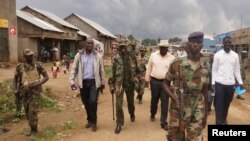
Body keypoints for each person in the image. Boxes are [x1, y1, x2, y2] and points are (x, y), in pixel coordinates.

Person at [162, 31, 209, 140]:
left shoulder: (206, 65)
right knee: (175, 138)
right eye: (193, 42)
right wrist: (174, 98)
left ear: (202, 45)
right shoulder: (176, 63)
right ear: (188, 45)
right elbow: (165, 84)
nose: (196, 45)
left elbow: (205, 91)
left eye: (199, 42)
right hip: (178, 109)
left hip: (197, 110)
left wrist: (205, 115)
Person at [69, 38, 105, 132]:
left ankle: (94, 122)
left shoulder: (98, 56)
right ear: (85, 44)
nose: (90, 45)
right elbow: (74, 69)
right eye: (88, 43)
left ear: (93, 45)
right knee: (86, 102)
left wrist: (103, 83)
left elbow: (101, 70)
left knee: (93, 101)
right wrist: (71, 81)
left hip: (94, 82)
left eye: (91, 44)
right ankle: (89, 120)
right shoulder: (79, 55)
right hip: (83, 82)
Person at [13, 48, 49, 138]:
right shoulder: (20, 67)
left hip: (35, 93)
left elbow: (46, 77)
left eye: (32, 55)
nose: (31, 57)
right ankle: (32, 128)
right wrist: (15, 89)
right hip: (24, 93)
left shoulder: (38, 65)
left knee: (33, 112)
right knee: (27, 112)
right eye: (28, 56)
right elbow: (15, 78)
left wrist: (37, 84)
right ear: (24, 56)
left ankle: (34, 131)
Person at [212, 36, 244, 125]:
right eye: (226, 42)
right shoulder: (217, 55)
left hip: (230, 85)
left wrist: (240, 82)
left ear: (231, 43)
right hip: (219, 84)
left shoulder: (235, 55)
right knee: (219, 104)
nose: (228, 44)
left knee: (227, 104)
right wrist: (213, 83)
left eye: (229, 42)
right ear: (223, 43)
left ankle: (223, 120)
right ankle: (218, 122)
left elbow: (237, 70)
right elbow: (214, 70)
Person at [108, 42, 138, 134]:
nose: (123, 49)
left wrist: (136, 78)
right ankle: (119, 123)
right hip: (119, 85)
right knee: (118, 105)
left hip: (130, 84)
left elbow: (138, 70)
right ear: (118, 48)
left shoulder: (132, 58)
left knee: (131, 103)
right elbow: (112, 74)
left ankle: (132, 113)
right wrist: (111, 86)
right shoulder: (116, 59)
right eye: (121, 47)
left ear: (127, 47)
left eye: (124, 47)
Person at [145, 40, 175, 130]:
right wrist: (147, 79)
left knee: (165, 102)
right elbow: (149, 67)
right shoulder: (153, 55)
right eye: (162, 47)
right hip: (154, 81)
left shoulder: (172, 58)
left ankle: (163, 122)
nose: (163, 49)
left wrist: (172, 84)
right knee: (154, 99)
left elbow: (174, 72)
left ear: (167, 48)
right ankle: (152, 113)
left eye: (165, 48)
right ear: (159, 47)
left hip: (166, 82)